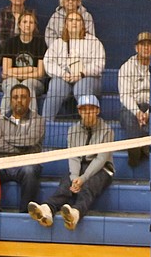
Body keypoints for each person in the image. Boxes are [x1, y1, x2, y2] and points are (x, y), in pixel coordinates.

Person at [28, 95, 115, 230]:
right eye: (84, 110)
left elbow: (101, 159)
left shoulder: (107, 131)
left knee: (88, 186)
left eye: (91, 109)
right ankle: (47, 210)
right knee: (65, 184)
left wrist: (83, 178)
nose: (87, 113)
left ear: (97, 111)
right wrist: (75, 177)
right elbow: (73, 156)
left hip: (102, 169)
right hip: (80, 167)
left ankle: (75, 214)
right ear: (79, 111)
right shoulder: (72, 130)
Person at [0, 83, 46, 212]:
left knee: (30, 171)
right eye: (15, 97)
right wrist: (22, 150)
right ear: (10, 100)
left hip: (27, 163)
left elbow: (31, 140)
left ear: (30, 99)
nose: (19, 100)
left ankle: (25, 212)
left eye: (23, 97)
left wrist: (6, 139)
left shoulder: (38, 120)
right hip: (3, 163)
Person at [42, 11, 105, 120]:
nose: (74, 23)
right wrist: (62, 74)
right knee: (56, 87)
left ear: (82, 24)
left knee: (81, 88)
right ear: (66, 24)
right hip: (64, 77)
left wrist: (82, 73)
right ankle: (44, 124)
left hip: (88, 78)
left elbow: (99, 64)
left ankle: (88, 123)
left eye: (77, 20)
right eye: (70, 20)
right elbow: (48, 62)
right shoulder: (58, 43)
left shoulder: (93, 41)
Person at [117, 31, 151, 167]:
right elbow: (125, 96)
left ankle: (140, 147)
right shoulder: (126, 67)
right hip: (132, 106)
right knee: (127, 115)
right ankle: (138, 150)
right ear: (136, 48)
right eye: (142, 44)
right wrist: (138, 112)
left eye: (149, 45)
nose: (146, 48)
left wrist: (149, 112)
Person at [0, 11, 47, 112]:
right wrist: (29, 69)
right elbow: (5, 72)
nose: (28, 25)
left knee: (27, 84)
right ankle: (2, 119)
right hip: (11, 80)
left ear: (34, 26)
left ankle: (33, 121)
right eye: (25, 22)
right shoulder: (11, 43)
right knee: (12, 84)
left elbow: (40, 73)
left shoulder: (40, 43)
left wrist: (15, 73)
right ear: (19, 25)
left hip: (35, 82)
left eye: (31, 22)